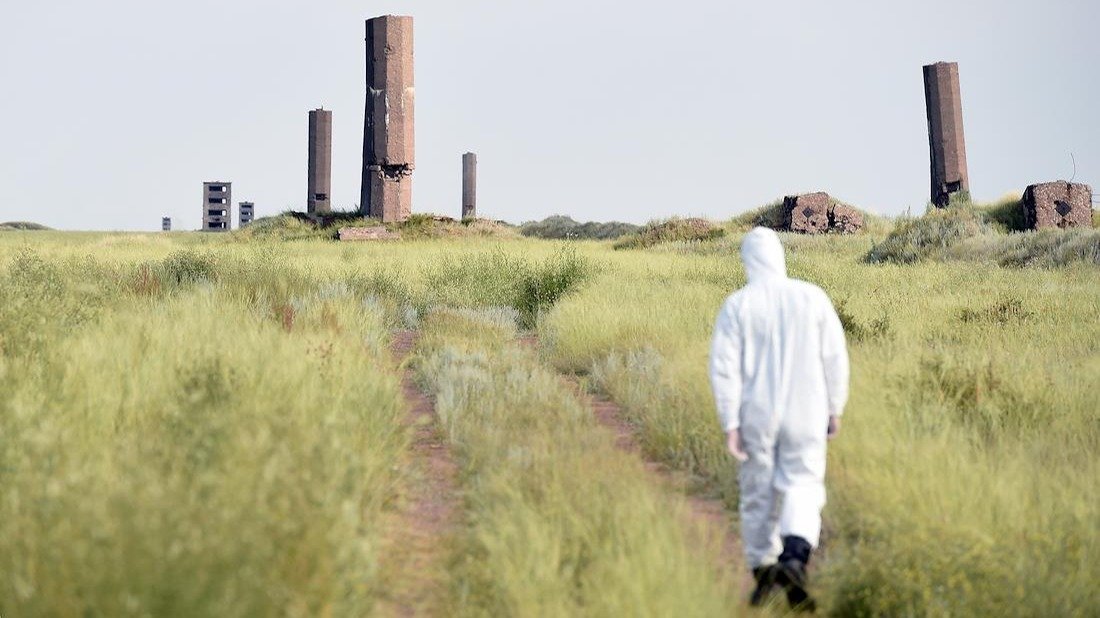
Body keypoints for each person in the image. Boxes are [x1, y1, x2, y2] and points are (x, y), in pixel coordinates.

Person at [708, 227, 849, 612]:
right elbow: (835, 357)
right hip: (808, 411)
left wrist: (730, 423)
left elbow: (724, 370)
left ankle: (765, 572)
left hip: (756, 414)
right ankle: (795, 556)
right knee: (803, 484)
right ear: (780, 256)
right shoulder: (812, 297)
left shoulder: (737, 305)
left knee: (758, 494)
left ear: (747, 260)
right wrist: (835, 407)